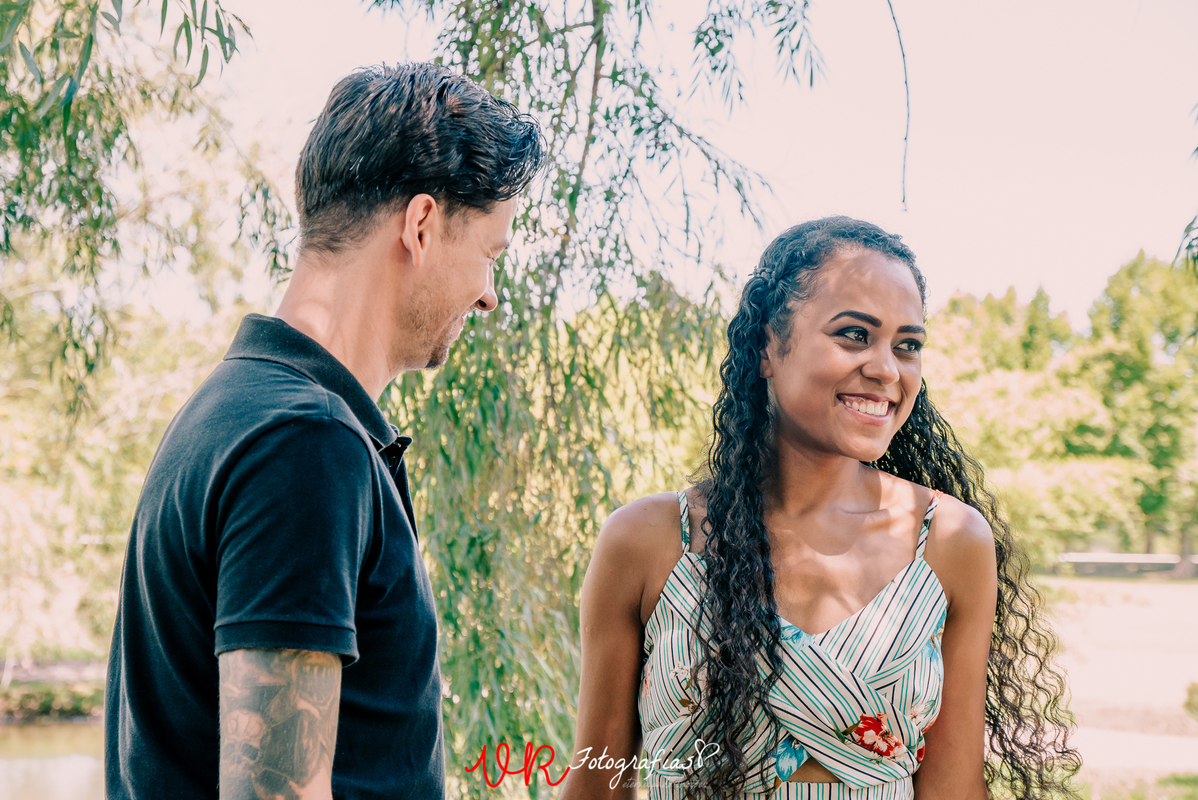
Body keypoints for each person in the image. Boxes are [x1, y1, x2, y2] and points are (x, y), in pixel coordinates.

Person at [105, 63, 545, 800]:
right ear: (422, 226)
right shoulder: (305, 444)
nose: (489, 295)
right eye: (490, 255)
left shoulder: (235, 409)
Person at [561, 217, 1079, 799]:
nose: (887, 369)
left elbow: (953, 789)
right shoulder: (649, 540)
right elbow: (596, 784)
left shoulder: (949, 542)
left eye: (907, 345)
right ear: (767, 346)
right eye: (854, 335)